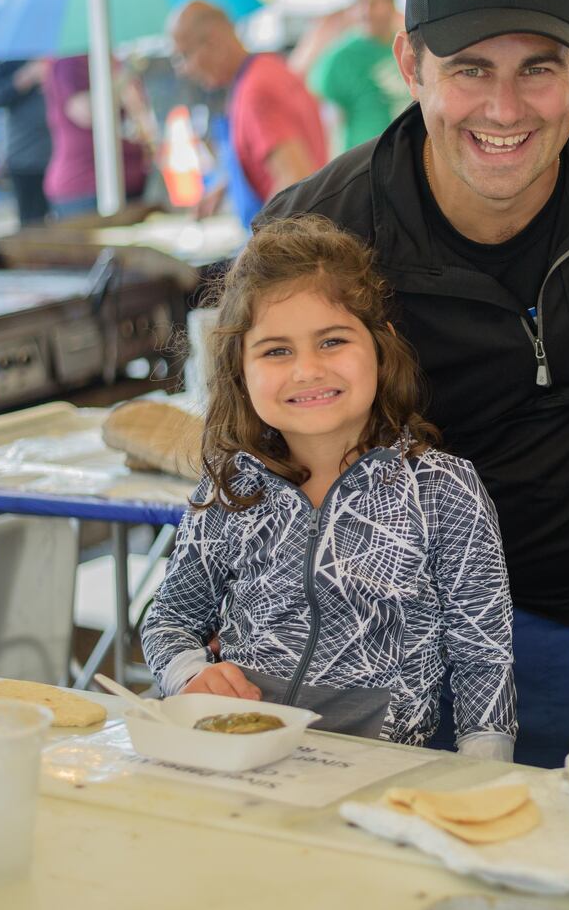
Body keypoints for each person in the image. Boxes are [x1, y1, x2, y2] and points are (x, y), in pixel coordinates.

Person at [262, 0, 569, 773]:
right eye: (470, 70)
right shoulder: (322, 230)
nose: (504, 110)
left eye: (537, 70)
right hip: (400, 627)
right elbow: (248, 441)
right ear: (410, 64)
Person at [140, 216, 516, 759]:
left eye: (332, 340)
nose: (307, 370)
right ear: (239, 369)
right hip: (243, 759)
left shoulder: (444, 490)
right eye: (275, 351)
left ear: (380, 346)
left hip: (384, 777)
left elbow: (484, 655)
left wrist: (484, 772)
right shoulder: (229, 486)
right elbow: (170, 617)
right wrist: (187, 675)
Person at [170, 0, 328, 229]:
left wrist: (250, 257)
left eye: (185, 55)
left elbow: (294, 180)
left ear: (213, 40)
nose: (185, 69)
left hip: (288, 250)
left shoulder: (256, 91)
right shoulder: (268, 69)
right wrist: (225, 186)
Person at [307, 0, 410, 153]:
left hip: (405, 152)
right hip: (364, 162)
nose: (366, 11)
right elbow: (312, 103)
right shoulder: (341, 56)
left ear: (392, 4)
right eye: (361, 2)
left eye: (375, 2)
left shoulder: (407, 46)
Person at [42, 54, 149, 218]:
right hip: (86, 187)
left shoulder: (114, 62)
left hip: (128, 180)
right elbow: (85, 111)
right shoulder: (69, 62)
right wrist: (123, 79)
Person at [0, 58, 51, 226]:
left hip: (60, 151)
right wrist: (26, 76)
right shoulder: (4, 54)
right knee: (32, 224)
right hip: (26, 155)